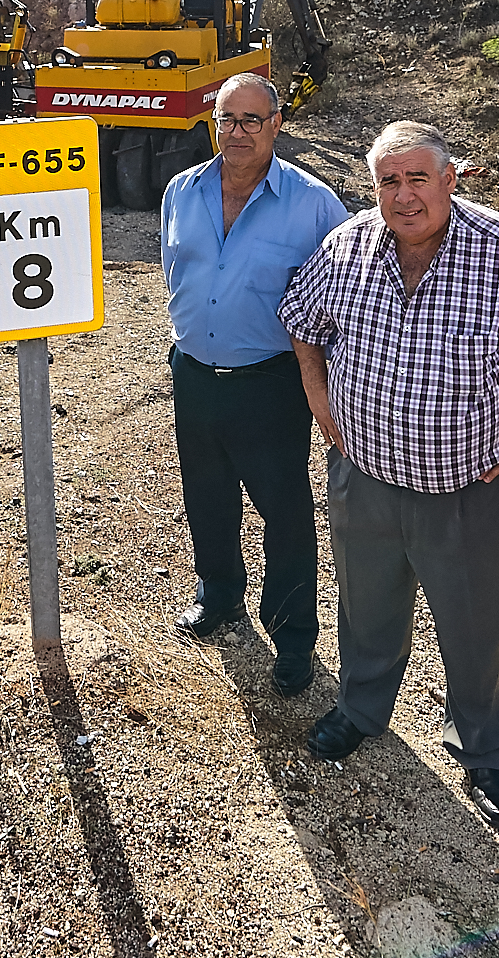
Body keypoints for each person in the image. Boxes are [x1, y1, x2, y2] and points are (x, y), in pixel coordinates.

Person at [279, 119, 499, 833]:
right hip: (363, 477)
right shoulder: (348, 245)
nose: (403, 196)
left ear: (450, 179)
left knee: (471, 628)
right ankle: (361, 710)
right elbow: (300, 317)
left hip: (469, 494)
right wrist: (317, 395)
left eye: (417, 178)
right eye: (388, 181)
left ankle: (485, 753)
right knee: (366, 610)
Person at [159, 72, 348, 696]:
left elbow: (342, 299)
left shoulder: (315, 204)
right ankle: (218, 594)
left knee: (284, 511)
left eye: (251, 121)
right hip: (193, 374)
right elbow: (175, 270)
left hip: (272, 382)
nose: (236, 133)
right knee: (206, 494)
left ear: (276, 126)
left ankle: (294, 637)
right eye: (227, 119)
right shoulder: (181, 191)